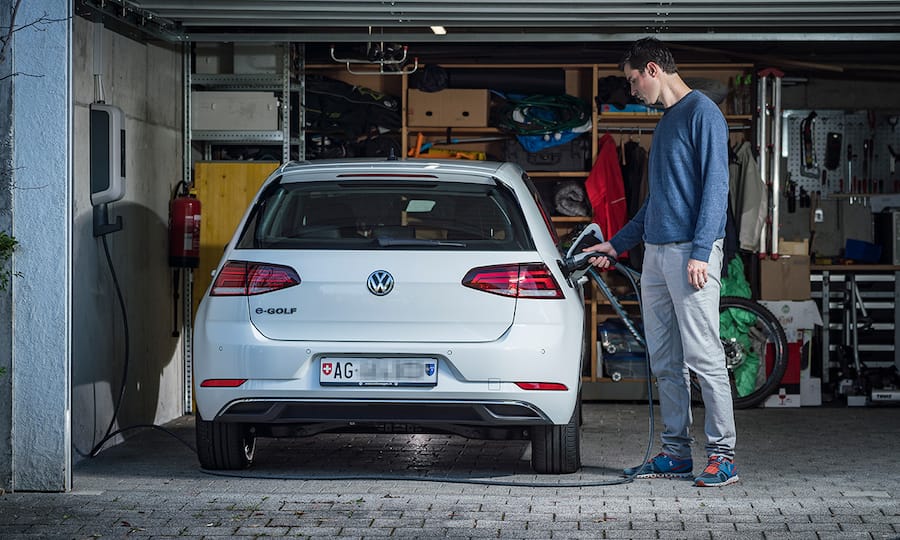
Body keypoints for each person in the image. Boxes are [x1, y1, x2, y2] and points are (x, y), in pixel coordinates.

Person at [584, 37, 738, 487]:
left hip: (692, 252)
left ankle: (723, 455)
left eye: (633, 81)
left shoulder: (703, 113)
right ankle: (676, 453)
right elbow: (655, 204)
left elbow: (716, 189)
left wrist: (699, 251)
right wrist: (616, 244)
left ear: (652, 69)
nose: (632, 91)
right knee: (666, 359)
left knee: (703, 356)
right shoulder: (666, 122)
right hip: (656, 254)